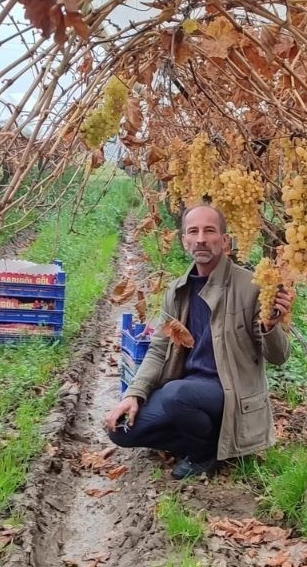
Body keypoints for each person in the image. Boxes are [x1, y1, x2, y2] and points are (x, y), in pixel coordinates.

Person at [103, 204, 293, 479]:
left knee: (175, 394)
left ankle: (204, 454)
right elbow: (158, 350)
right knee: (119, 430)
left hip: (229, 393)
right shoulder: (178, 290)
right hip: (188, 391)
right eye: (193, 231)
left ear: (225, 240)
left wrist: (270, 326)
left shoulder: (250, 286)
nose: (201, 238)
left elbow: (279, 356)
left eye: (210, 231)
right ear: (184, 240)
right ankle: (217, 441)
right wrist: (134, 394)